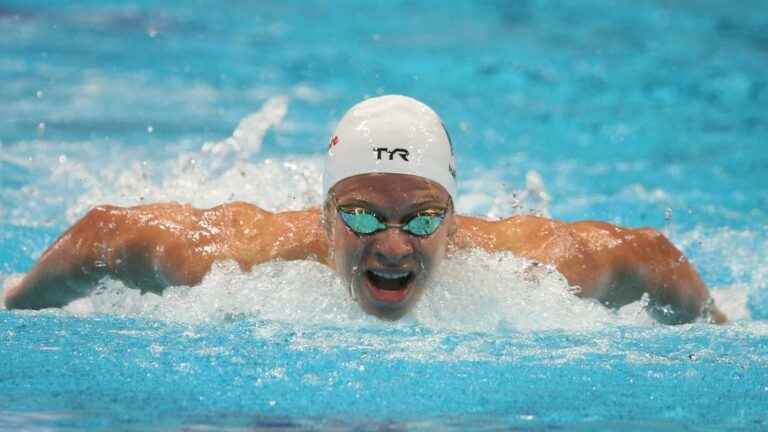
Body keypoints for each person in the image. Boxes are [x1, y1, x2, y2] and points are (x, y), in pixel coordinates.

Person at [4, 95, 726, 324]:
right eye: (358, 216)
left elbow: (651, 256)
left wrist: (730, 334)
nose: (389, 245)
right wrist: (13, 301)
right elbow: (105, 235)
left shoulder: (533, 266)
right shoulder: (230, 259)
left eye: (418, 218)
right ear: (322, 218)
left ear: (452, 216)